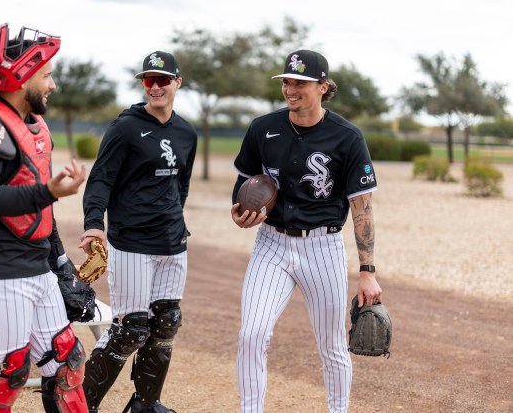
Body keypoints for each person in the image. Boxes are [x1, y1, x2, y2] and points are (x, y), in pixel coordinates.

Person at [230, 49, 382, 413]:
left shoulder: (347, 137)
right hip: (271, 244)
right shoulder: (262, 128)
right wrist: (238, 212)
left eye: (300, 82)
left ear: (323, 87)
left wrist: (367, 272)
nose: (291, 89)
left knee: (331, 345)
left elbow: (362, 208)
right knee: (251, 334)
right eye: (287, 82)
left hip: (324, 247)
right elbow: (242, 184)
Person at [0, 23, 88, 412]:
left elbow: (38, 205)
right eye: (46, 75)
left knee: (66, 361)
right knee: (4, 378)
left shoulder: (34, 127)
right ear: (19, 76)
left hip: (32, 264)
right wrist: (49, 192)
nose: (53, 85)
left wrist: (58, 259)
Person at [79, 51, 197, 413]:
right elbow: (101, 178)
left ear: (178, 82)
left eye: (163, 80)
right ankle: (81, 405)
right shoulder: (126, 127)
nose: (156, 86)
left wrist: (172, 217)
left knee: (165, 323)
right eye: (149, 80)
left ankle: (146, 404)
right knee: (131, 328)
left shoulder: (187, 133)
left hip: (173, 243)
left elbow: (182, 187)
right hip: (132, 242)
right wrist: (94, 224)